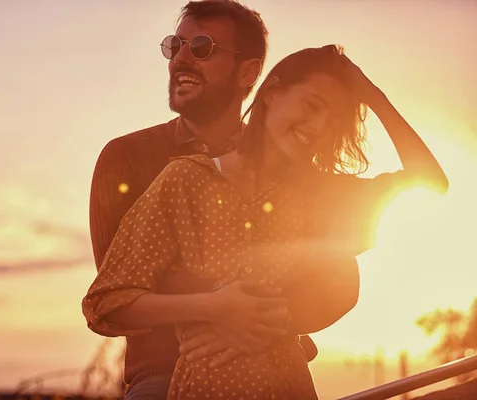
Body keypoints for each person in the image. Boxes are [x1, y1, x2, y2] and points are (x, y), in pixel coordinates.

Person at [84, 43, 449, 399]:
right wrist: (214, 308)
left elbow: (430, 181)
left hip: (289, 383)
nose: (319, 126)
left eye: (333, 120)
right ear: (271, 93)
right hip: (203, 385)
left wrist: (371, 94)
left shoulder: (316, 196)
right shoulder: (185, 179)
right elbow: (108, 304)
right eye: (312, 106)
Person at [88, 1, 361, 398]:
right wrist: (220, 306)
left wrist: (267, 320)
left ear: (248, 72)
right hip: (165, 375)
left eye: (201, 48)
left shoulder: (287, 160)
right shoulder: (125, 158)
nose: (182, 58)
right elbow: (120, 290)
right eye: (174, 45)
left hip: (277, 362)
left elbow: (339, 286)